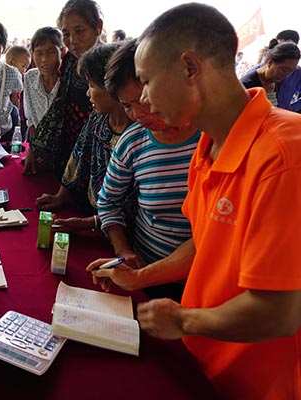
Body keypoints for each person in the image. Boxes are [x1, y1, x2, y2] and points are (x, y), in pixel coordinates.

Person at [87, 4, 301, 398]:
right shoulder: (207, 147)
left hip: (256, 381)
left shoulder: (284, 155)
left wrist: (185, 320)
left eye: (147, 82)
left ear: (189, 68)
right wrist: (140, 277)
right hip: (205, 364)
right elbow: (205, 242)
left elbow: (280, 311)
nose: (144, 102)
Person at [87, 39, 200, 301]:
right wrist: (123, 251)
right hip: (147, 278)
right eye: (126, 105)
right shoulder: (133, 140)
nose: (137, 113)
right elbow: (108, 201)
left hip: (200, 282)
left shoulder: (211, 139)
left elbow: (211, 235)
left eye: (143, 100)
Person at [36, 43, 132, 217]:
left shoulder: (135, 133)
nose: (88, 93)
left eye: (91, 85)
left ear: (112, 85)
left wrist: (91, 223)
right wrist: (60, 196)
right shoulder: (98, 118)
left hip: (120, 228)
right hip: (94, 213)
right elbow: (79, 155)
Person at [23, 0, 102, 176]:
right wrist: (34, 148)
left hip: (99, 156)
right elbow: (58, 106)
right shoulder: (70, 61)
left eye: (80, 31)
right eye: (66, 34)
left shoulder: (110, 64)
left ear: (98, 27)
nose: (73, 41)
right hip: (69, 151)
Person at [23, 27, 62, 142]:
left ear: (62, 52)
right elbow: (31, 120)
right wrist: (35, 148)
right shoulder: (30, 77)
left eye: (51, 52)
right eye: (39, 53)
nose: (44, 59)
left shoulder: (68, 81)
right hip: (38, 143)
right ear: (32, 54)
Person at [240, 41, 300, 106]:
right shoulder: (247, 85)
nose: (286, 75)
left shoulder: (276, 81)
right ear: (270, 63)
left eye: (291, 71)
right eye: (284, 70)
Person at [5, 45, 32, 139]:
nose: (24, 71)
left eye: (26, 68)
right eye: (23, 66)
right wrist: (18, 119)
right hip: (12, 116)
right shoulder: (14, 75)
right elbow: (15, 98)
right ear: (11, 62)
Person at [275, 29, 301, 112]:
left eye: (278, 44)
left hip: (282, 117)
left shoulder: (297, 73)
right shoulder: (262, 69)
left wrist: (294, 107)